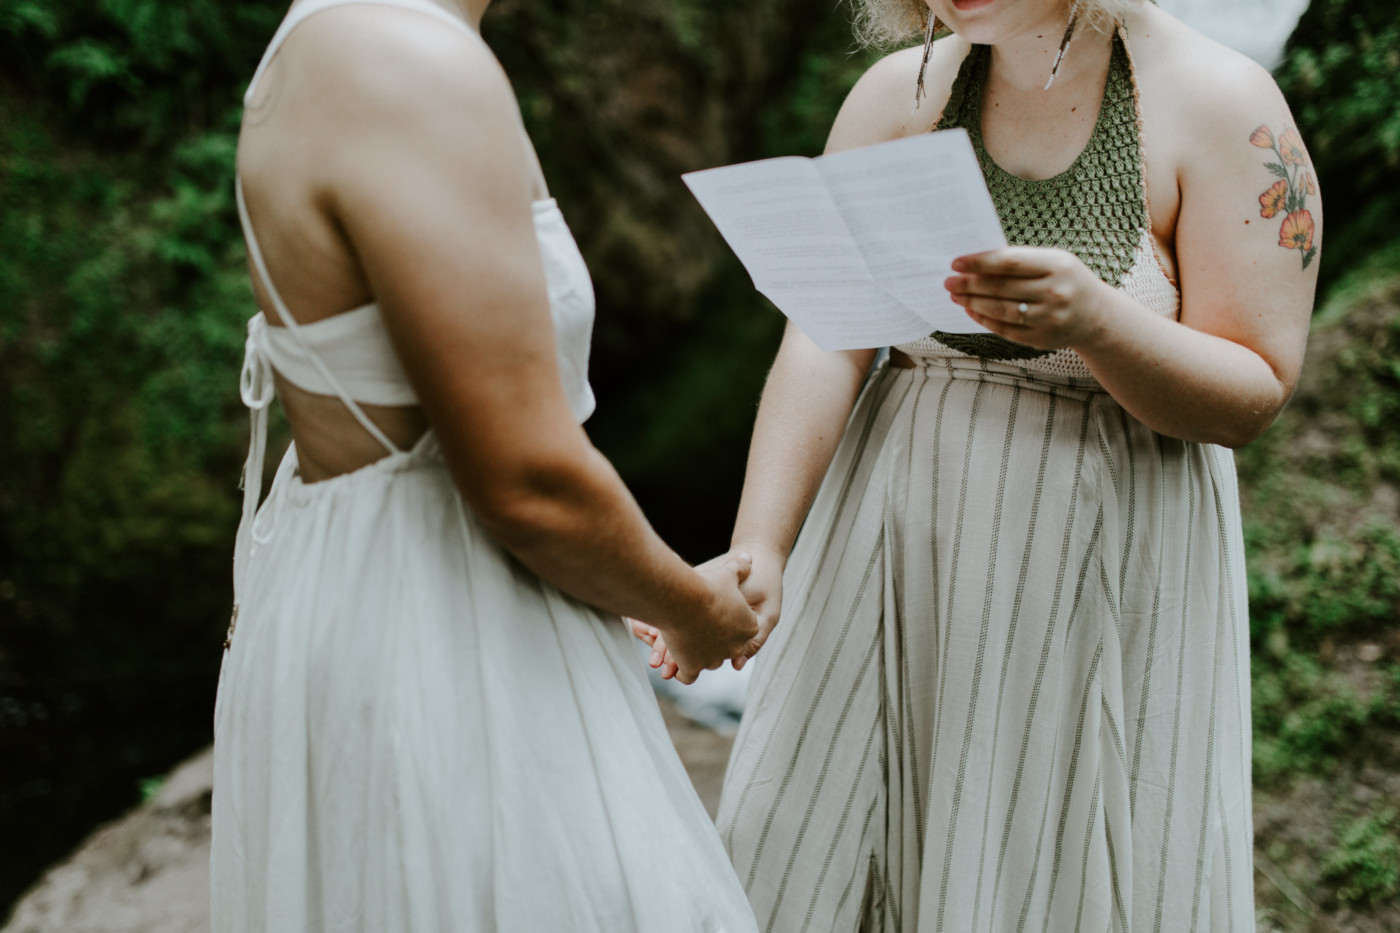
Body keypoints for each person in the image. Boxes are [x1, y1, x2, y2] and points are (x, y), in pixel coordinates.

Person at [652, 0, 1318, 929]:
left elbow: (1254, 388)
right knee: (810, 837)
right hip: (895, 532)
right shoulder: (901, 94)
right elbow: (827, 332)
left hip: (1096, 545)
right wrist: (760, 544)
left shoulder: (1219, 102)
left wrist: (1098, 324)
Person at [211, 0, 763, 929]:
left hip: (363, 581)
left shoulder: (334, 35)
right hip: (441, 630)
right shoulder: (409, 61)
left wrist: (611, 574)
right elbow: (525, 482)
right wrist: (694, 607)